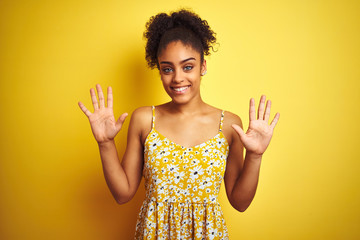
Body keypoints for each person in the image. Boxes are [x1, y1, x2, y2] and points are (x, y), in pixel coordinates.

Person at [78, 9, 279, 240]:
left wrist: (255, 156)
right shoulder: (144, 120)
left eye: (188, 66)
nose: (177, 78)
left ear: (203, 66)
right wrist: (105, 143)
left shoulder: (229, 125)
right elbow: (122, 194)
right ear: (160, 70)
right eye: (167, 69)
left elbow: (240, 202)